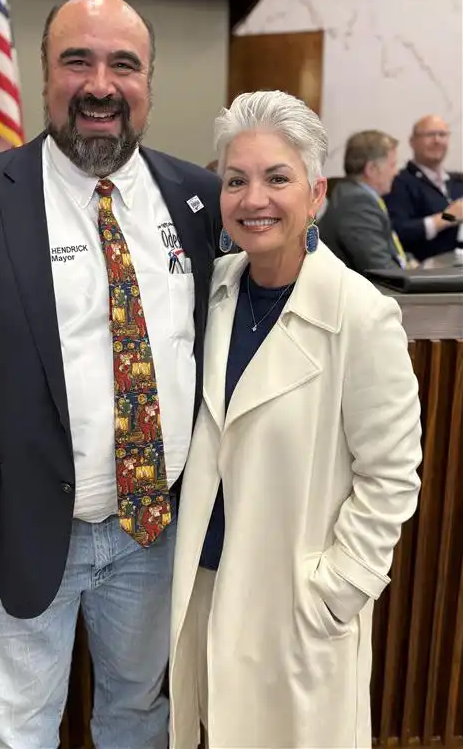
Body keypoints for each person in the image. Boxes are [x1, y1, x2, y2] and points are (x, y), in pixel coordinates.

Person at [0, 0, 222, 749]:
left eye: (123, 65)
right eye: (77, 61)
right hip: (21, 530)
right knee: (19, 731)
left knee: (139, 717)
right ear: (43, 75)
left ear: (149, 81)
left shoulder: (200, 198)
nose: (100, 85)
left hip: (157, 530)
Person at [168, 91, 423, 748]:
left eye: (277, 178)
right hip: (208, 589)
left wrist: (337, 592)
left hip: (297, 603)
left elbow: (392, 477)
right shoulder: (214, 291)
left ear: (315, 194)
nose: (255, 199)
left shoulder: (359, 314)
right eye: (236, 180)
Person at [319, 130, 407, 273]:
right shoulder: (356, 203)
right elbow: (382, 271)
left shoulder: (355, 195)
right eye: (392, 165)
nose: (396, 172)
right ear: (371, 169)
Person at [385, 114, 463, 261]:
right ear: (412, 141)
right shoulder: (399, 183)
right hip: (424, 274)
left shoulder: (457, 182)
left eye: (442, 135)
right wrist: (448, 217)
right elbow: (398, 233)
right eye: (430, 134)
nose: (437, 140)